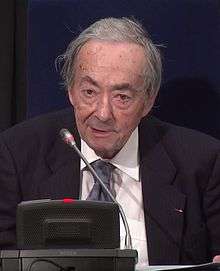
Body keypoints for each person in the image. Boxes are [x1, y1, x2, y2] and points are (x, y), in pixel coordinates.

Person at [0, 17, 220, 268]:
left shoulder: (201, 162)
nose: (103, 113)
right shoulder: (18, 153)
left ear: (148, 101)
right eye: (90, 92)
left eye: (122, 97)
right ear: (71, 90)